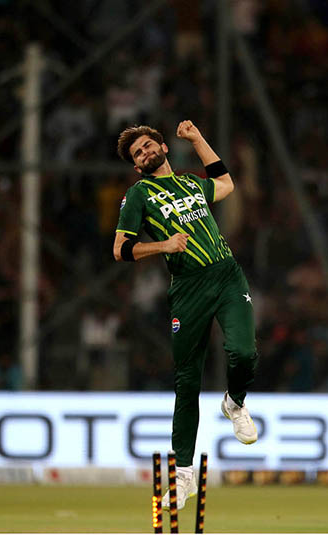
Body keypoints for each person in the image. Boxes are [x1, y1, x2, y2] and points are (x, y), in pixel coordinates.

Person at [114, 121, 259, 509]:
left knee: (243, 353)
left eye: (147, 146)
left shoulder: (193, 184)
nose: (144, 154)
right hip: (188, 288)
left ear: (162, 146)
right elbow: (121, 249)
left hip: (226, 274)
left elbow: (226, 183)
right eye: (137, 155)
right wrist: (163, 244)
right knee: (187, 382)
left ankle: (235, 402)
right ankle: (183, 477)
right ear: (136, 166)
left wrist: (197, 140)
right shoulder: (139, 195)